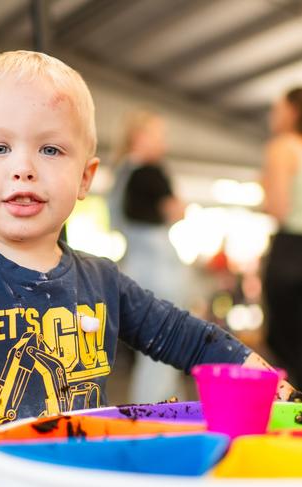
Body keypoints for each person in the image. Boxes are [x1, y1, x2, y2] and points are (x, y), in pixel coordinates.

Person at [0, 51, 294, 487]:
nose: (23, 169)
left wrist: (288, 402)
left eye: (50, 149)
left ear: (85, 178)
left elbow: (194, 341)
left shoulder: (103, 280)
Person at [107, 110, 189, 403]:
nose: (163, 144)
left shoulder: (121, 173)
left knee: (149, 350)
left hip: (135, 266)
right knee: (166, 346)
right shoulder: (151, 172)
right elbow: (176, 211)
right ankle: (159, 414)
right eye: (158, 136)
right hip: (159, 267)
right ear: (140, 137)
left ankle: (161, 409)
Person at [262, 88, 302, 389]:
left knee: (284, 343)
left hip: (291, 251)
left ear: (292, 111)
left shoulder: (283, 147)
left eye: (277, 109)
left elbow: (276, 208)